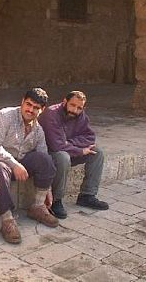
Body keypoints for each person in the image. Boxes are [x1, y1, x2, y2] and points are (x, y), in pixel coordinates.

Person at [0, 88, 58, 244]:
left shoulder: (38, 129)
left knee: (45, 159)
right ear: (22, 101)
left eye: (36, 108)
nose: (30, 110)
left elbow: (43, 153)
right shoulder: (4, 116)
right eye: (28, 104)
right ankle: (7, 220)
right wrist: (14, 165)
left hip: (16, 164)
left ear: (42, 110)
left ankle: (38, 206)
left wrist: (47, 189)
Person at [38, 90, 109, 220]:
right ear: (64, 101)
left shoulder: (80, 115)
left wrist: (70, 143)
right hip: (48, 154)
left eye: (79, 108)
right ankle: (56, 200)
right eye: (72, 105)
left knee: (97, 152)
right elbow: (56, 145)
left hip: (68, 149)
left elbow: (90, 137)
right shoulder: (51, 114)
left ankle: (87, 195)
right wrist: (79, 150)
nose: (75, 110)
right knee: (63, 157)